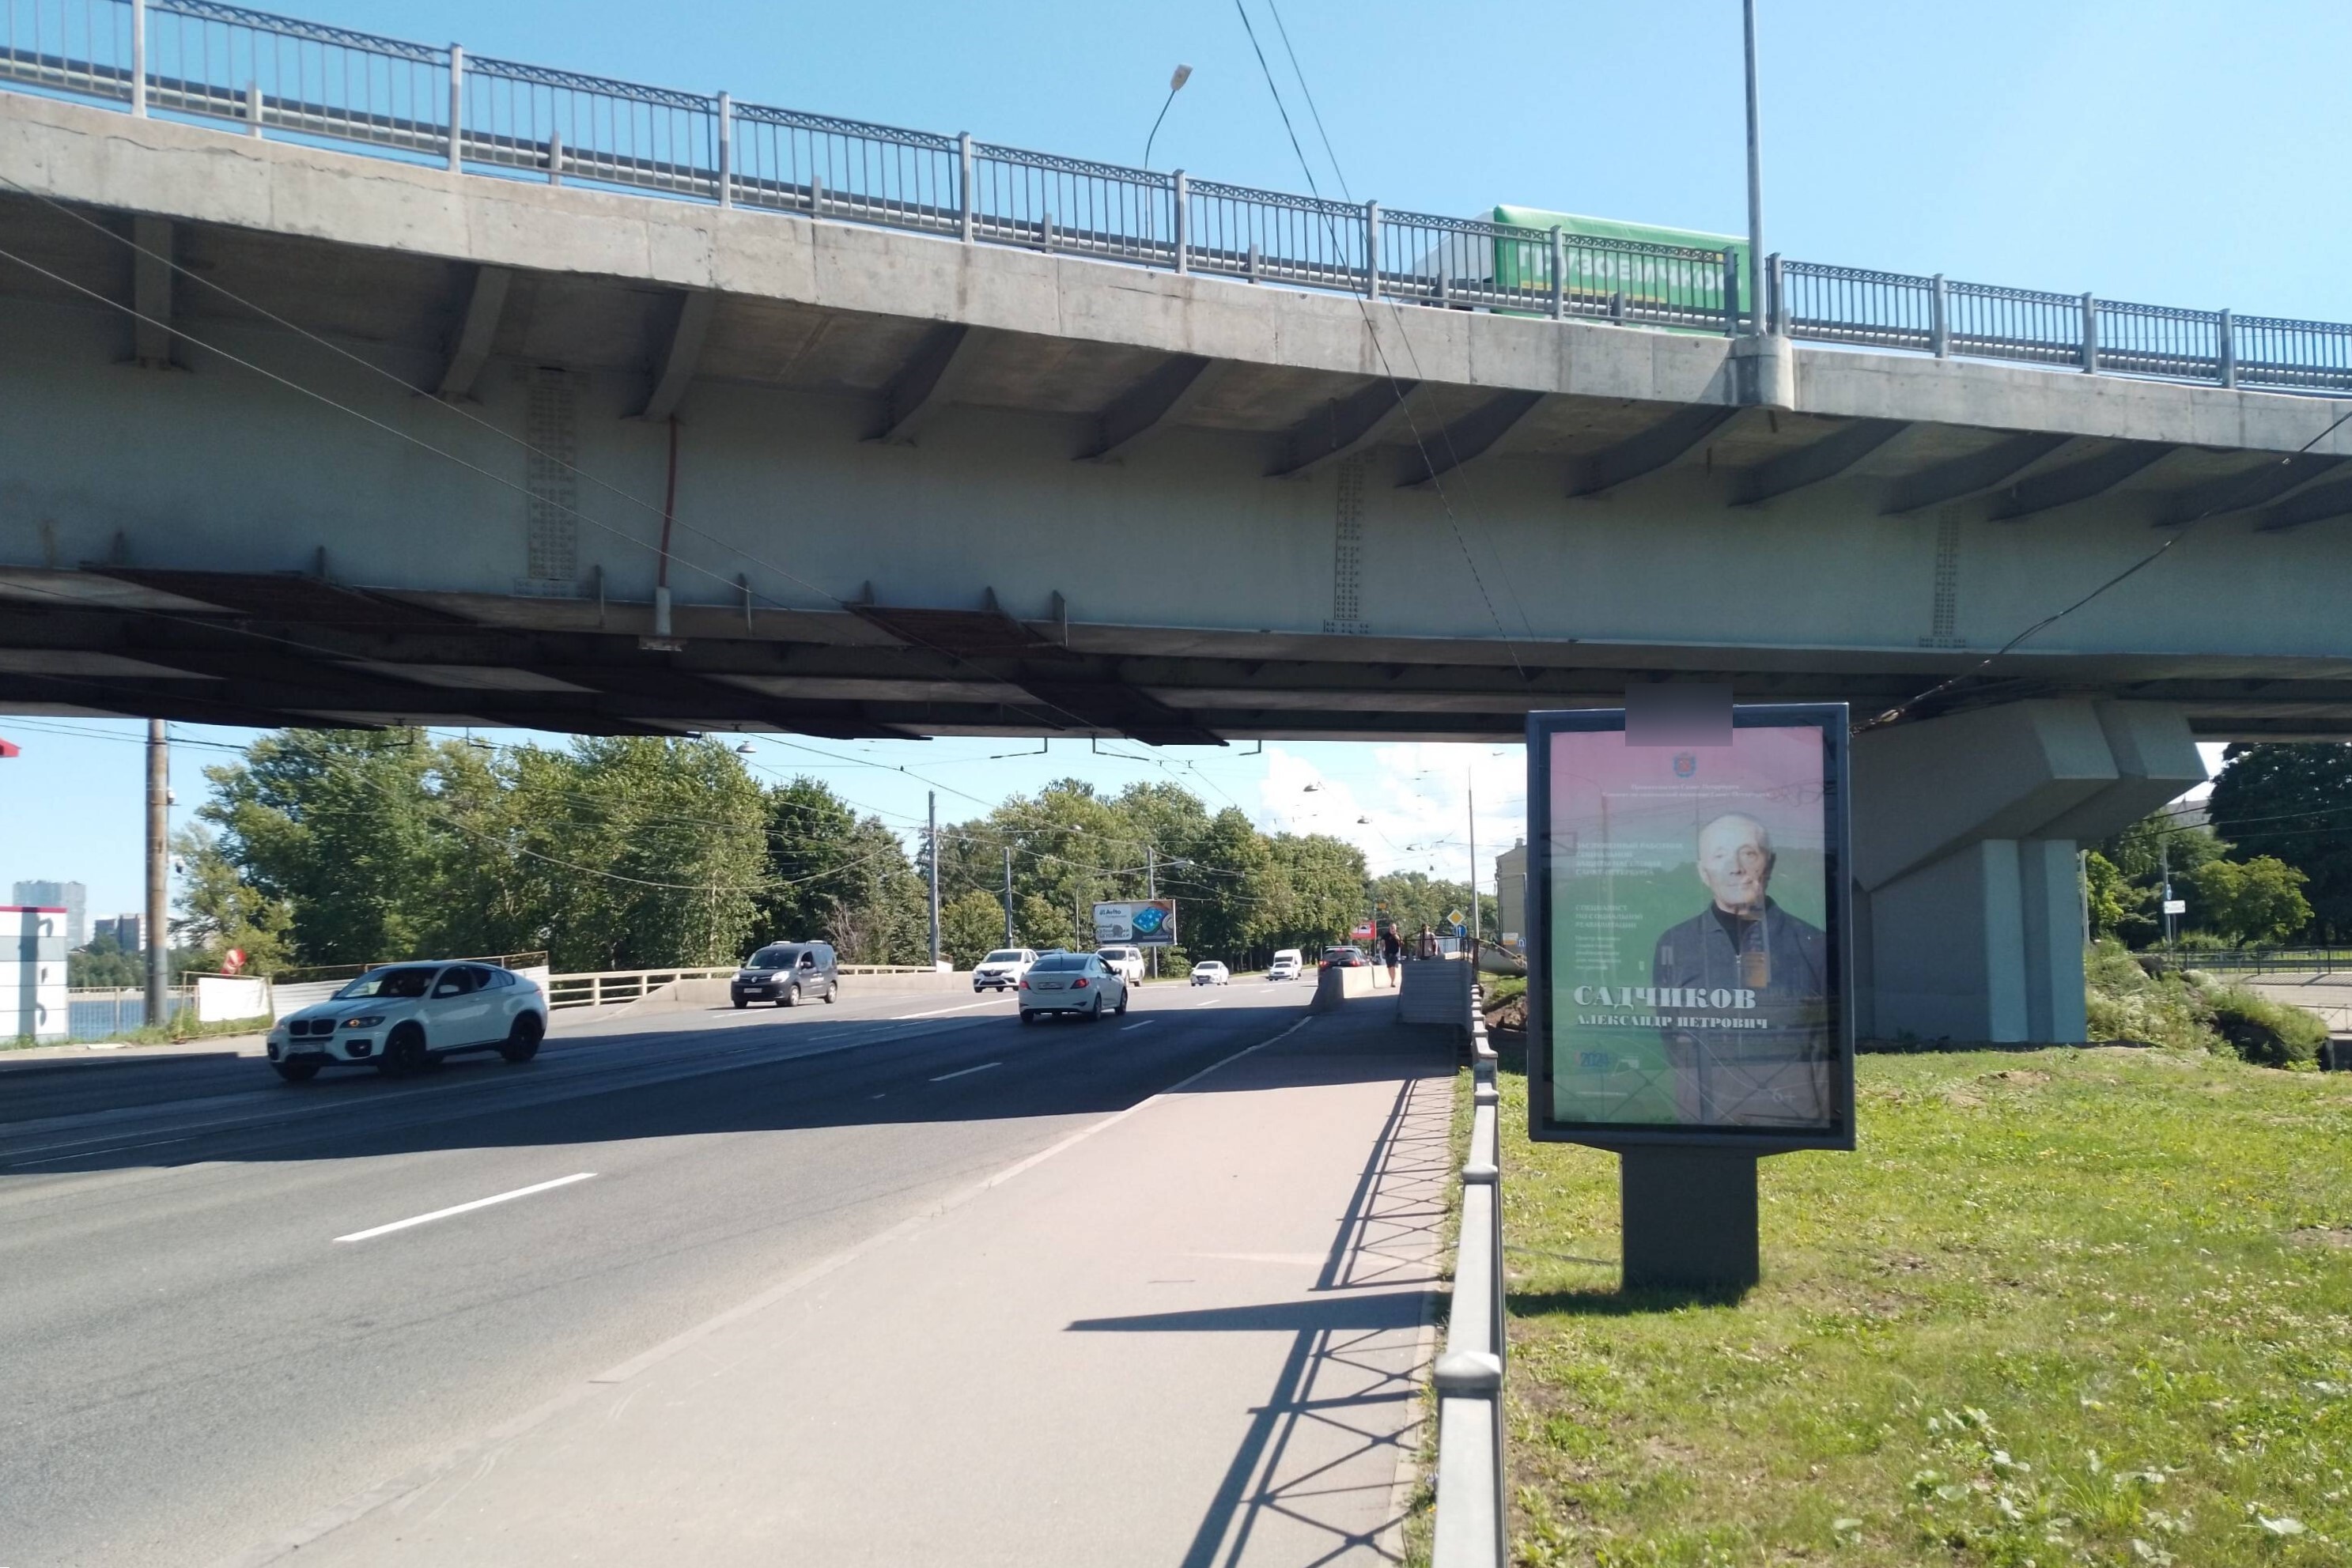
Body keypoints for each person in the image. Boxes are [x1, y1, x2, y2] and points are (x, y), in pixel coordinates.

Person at [1650, 811, 1831, 1128]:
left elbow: (1826, 1043)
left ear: (1769, 863)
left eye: (1748, 853)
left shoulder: (1813, 944)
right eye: (1719, 855)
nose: (1735, 867)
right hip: (1703, 1119)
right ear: (1703, 872)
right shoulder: (1674, 944)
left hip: (1791, 1119)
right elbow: (1671, 1036)